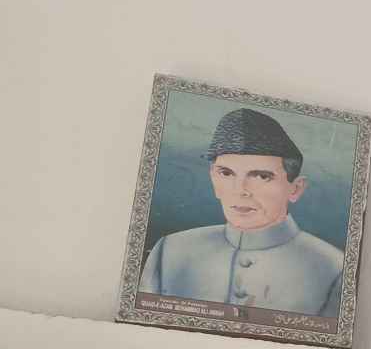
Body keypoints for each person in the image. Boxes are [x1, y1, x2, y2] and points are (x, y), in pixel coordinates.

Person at [140, 107, 344, 316]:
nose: (240, 190)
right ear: (213, 178)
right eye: (226, 173)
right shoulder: (169, 251)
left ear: (295, 189)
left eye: (261, 176)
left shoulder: (334, 269)